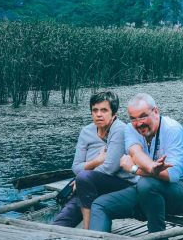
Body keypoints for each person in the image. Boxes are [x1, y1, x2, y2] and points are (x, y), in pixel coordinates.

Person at [88, 94, 183, 233]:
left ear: (155, 112)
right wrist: (151, 168)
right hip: (148, 189)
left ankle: (158, 237)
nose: (138, 123)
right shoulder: (131, 128)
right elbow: (135, 152)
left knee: (146, 184)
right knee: (100, 204)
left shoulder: (172, 129)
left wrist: (136, 169)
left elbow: (172, 176)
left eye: (143, 116)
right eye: (133, 118)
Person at [54, 91, 131, 228]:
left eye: (104, 110)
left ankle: (87, 231)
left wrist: (84, 178)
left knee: (83, 179)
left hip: (119, 185)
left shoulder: (120, 130)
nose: (98, 114)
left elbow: (110, 168)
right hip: (88, 187)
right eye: (94, 110)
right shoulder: (86, 131)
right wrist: (97, 161)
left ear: (113, 114)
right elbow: (76, 167)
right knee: (60, 223)